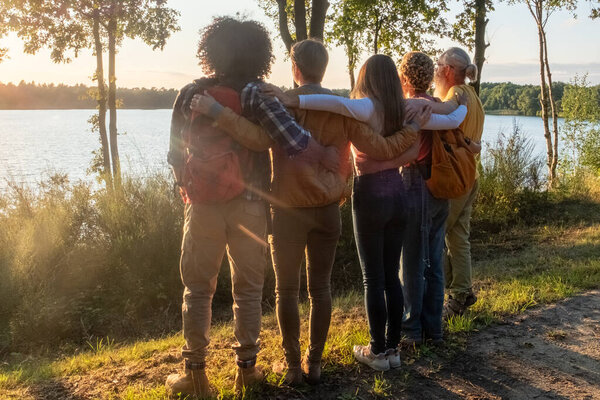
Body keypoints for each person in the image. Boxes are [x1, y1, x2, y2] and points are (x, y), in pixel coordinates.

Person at [190, 39, 430, 384]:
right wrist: (412, 131)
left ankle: (292, 368)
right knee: (321, 289)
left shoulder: (281, 105)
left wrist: (219, 114)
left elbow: (258, 139)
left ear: (295, 68)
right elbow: (380, 147)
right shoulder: (341, 109)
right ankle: (314, 363)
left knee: (286, 291)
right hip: (327, 210)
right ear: (324, 67)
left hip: (288, 210)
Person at [165, 18, 337, 397]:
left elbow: (174, 153)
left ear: (211, 52)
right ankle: (247, 370)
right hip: (250, 205)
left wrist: (186, 188)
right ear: (259, 55)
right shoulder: (255, 95)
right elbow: (290, 140)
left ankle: (195, 375)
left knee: (196, 290)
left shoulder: (190, 92)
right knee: (247, 290)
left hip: (202, 204)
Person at [267, 54, 468, 371]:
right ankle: (393, 350)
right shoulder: (406, 108)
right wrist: (459, 103)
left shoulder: (365, 107)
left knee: (372, 278)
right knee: (391, 275)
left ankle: (377, 351)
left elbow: (330, 104)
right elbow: (454, 120)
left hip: (371, 193)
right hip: (399, 192)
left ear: (367, 78)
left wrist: (286, 97)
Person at [398, 51, 480, 345]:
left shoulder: (412, 105)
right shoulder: (452, 102)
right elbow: (457, 121)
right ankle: (434, 328)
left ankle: (411, 329)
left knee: (412, 259)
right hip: (451, 180)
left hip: (419, 179)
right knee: (437, 252)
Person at [433, 47, 485, 317]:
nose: (436, 69)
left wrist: (416, 104)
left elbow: (446, 116)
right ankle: (462, 293)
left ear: (449, 70)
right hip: (470, 176)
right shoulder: (475, 96)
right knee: (459, 237)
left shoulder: (457, 94)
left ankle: (452, 294)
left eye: (439, 64)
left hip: (454, 177)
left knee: (435, 235)